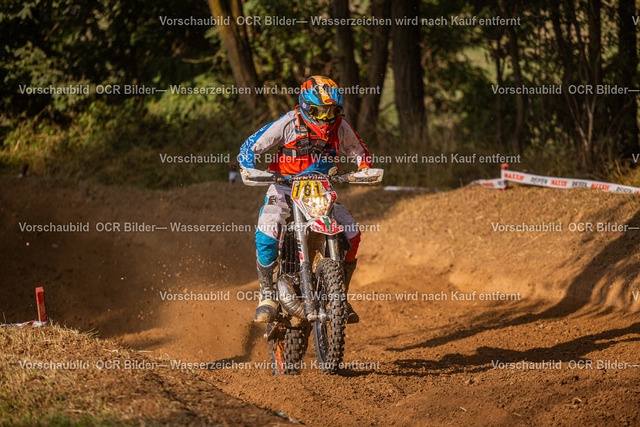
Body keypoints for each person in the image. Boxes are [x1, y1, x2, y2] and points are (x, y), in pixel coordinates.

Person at [239, 75, 372, 324]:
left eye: (332, 111)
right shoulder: (289, 122)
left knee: (352, 233)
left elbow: (360, 152)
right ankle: (267, 294)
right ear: (305, 106)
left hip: (321, 190)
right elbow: (250, 146)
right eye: (319, 111)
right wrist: (248, 167)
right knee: (267, 230)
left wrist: (364, 168)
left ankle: (340, 296)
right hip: (284, 187)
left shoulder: (340, 126)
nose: (326, 118)